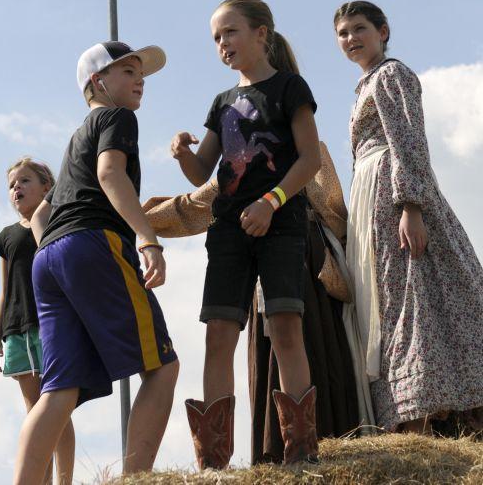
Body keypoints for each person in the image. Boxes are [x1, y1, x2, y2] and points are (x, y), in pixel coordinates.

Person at [12, 41, 179, 485]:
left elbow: (41, 214)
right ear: (98, 82)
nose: (139, 78)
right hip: (92, 243)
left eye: (140, 71)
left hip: (49, 258)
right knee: (162, 367)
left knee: (58, 390)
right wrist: (147, 239)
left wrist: (61, 251)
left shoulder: (75, 139)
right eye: (127, 70)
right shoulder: (118, 117)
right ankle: (135, 479)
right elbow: (110, 174)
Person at [143, 142, 365, 466]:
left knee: (310, 347)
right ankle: (277, 450)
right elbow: (199, 204)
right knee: (278, 351)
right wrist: (139, 218)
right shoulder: (240, 158)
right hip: (274, 266)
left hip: (307, 265)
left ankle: (307, 450)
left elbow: (330, 206)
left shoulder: (308, 145)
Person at [171, 0, 321, 468]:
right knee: (219, 334)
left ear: (262, 34)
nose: (222, 43)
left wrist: (271, 202)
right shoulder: (221, 103)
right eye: (216, 37)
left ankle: (300, 454)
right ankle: (214, 463)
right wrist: (181, 154)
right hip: (228, 231)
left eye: (230, 32)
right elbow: (201, 174)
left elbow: (310, 160)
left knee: (284, 330)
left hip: (281, 225)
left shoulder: (290, 88)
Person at [334, 0, 483, 433]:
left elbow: (408, 141)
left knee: (414, 292)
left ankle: (426, 406)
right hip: (371, 196)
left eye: (359, 29)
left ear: (383, 31)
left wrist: (411, 206)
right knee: (391, 297)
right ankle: (409, 412)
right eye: (342, 34)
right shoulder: (364, 85)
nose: (351, 39)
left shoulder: (392, 74)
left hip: (393, 195)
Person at [0, 158, 75, 485]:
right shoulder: (7, 236)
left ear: (46, 188)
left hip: (50, 324)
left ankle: (64, 482)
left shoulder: (54, 223)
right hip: (15, 330)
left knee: (57, 408)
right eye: (12, 185)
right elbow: (4, 290)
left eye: (25, 181)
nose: (17, 189)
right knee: (34, 411)